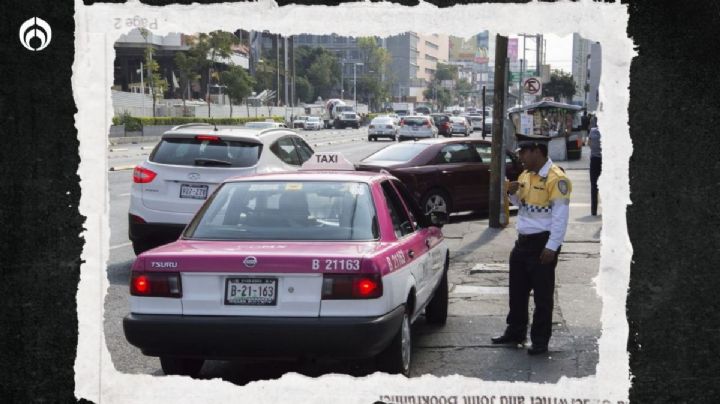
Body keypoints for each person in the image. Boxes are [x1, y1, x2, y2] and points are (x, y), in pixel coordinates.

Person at [491, 133, 572, 355]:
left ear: (537, 151)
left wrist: (552, 247)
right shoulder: (526, 175)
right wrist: (512, 194)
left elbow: (560, 217)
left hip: (542, 244)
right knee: (517, 291)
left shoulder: (557, 179)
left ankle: (540, 340)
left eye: (524, 153)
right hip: (522, 242)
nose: (520, 157)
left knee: (542, 295)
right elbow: (522, 204)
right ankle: (515, 332)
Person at [588, 119, 602, 216]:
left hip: (594, 160)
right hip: (604, 161)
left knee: (594, 186)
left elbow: (589, 143)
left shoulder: (592, 131)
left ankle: (594, 211)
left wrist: (594, 150)